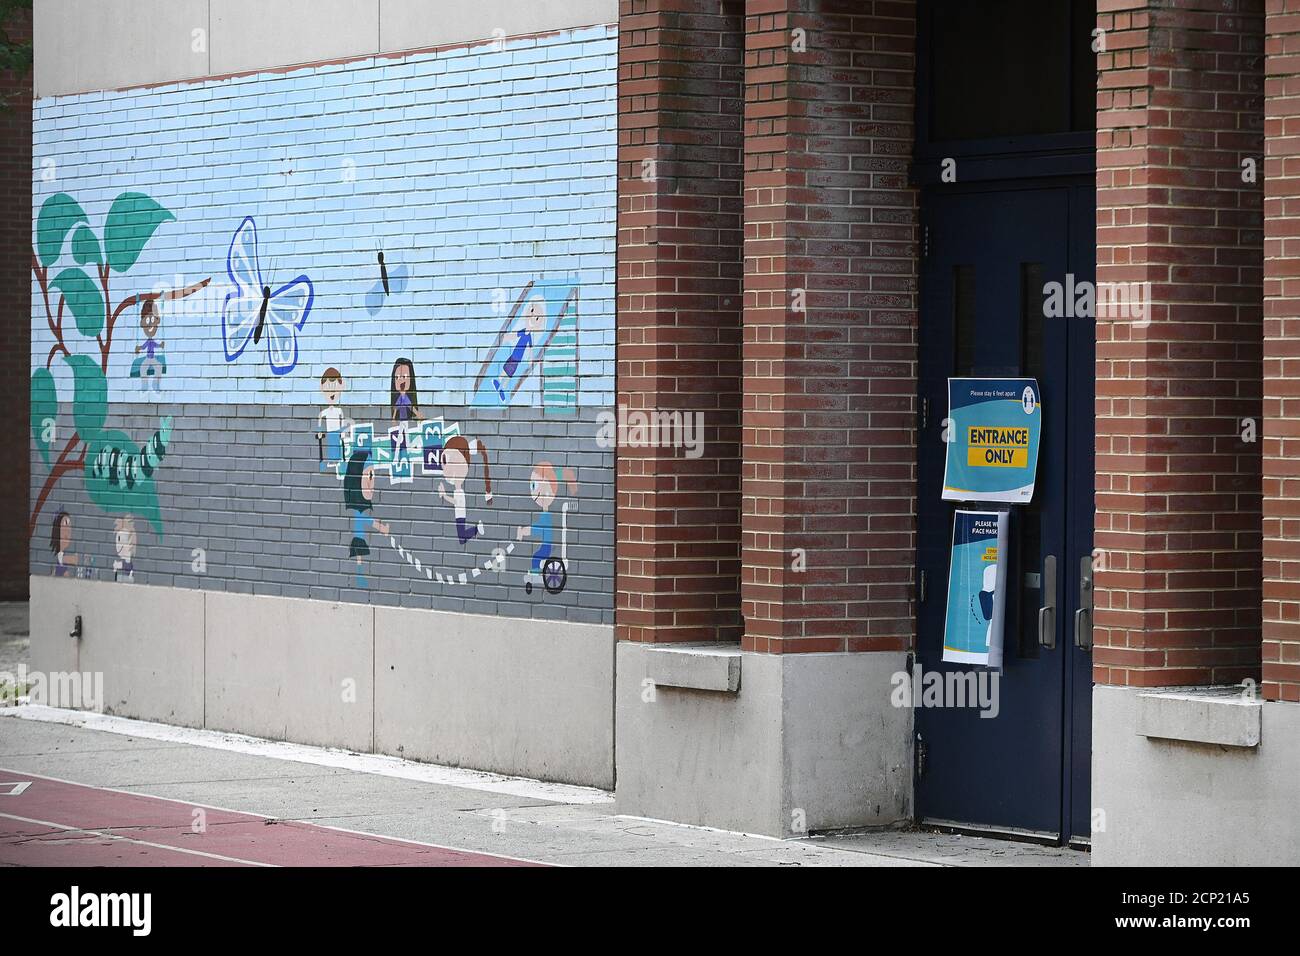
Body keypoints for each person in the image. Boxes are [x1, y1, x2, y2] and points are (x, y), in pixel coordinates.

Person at [516, 461, 576, 587]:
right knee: (537, 556)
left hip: (547, 546)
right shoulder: (546, 515)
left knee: (536, 557)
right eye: (532, 486)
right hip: (547, 545)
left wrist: (525, 531)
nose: (534, 493)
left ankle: (535, 575)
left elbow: (537, 528)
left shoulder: (546, 516)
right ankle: (535, 574)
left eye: (534, 486)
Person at [344, 450, 390, 588]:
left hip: (360, 538)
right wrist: (381, 527)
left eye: (373, 476)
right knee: (360, 559)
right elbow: (367, 521)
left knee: (359, 558)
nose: (372, 483)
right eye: (369, 475)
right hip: (360, 539)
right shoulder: (360, 511)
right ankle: (360, 576)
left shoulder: (359, 508)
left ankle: (359, 575)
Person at [438, 436, 493, 545]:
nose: (446, 470)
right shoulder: (458, 491)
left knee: (462, 538)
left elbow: (455, 502)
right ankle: (477, 529)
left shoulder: (459, 493)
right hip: (459, 516)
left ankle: (477, 528)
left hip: (460, 517)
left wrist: (444, 495)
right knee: (461, 538)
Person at [493, 294, 546, 400]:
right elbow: (514, 336)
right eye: (531, 312)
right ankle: (498, 381)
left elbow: (530, 349)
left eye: (536, 318)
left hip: (518, 359)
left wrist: (530, 359)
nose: (532, 318)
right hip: (514, 356)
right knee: (506, 369)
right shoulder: (523, 332)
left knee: (510, 373)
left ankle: (502, 388)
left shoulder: (529, 336)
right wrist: (506, 338)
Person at [316, 367, 349, 472]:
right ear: (322, 388)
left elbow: (342, 420)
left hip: (337, 431)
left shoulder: (339, 410)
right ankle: (332, 461)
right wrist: (320, 430)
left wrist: (343, 431)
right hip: (330, 431)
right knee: (331, 446)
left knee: (337, 446)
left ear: (341, 386)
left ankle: (339, 460)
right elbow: (320, 416)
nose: (331, 393)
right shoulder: (325, 412)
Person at [50, 511, 78, 577]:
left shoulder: (61, 557)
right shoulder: (58, 559)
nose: (68, 531)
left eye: (69, 527)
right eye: (65, 525)